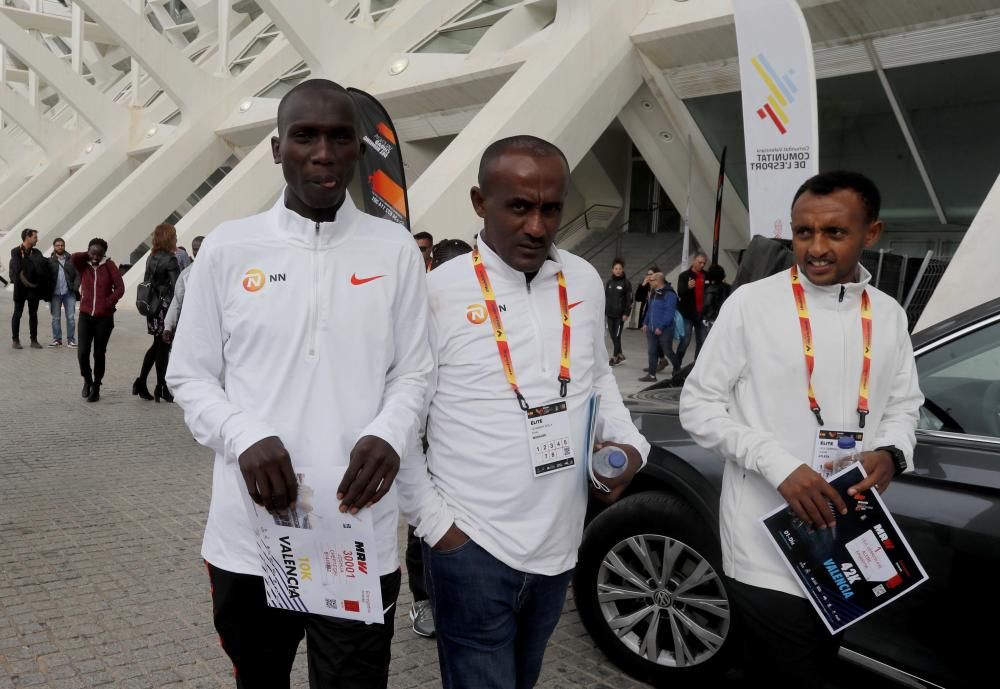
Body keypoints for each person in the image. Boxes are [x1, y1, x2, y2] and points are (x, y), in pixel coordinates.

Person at [166, 78, 431, 689]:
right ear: (276, 147)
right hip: (253, 537)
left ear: (360, 150)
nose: (323, 152)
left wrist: (390, 432)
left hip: (357, 535)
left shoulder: (393, 249)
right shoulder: (230, 249)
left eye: (340, 137)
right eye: (304, 136)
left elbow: (415, 368)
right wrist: (242, 433)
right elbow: (190, 373)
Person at [399, 135, 649, 689]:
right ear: (478, 201)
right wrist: (438, 529)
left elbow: (598, 378)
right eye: (519, 206)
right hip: (472, 547)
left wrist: (631, 443)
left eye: (551, 208)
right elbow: (402, 423)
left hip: (560, 546)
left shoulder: (582, 280)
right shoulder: (436, 293)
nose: (537, 226)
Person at [679, 171, 923, 688]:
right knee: (796, 673)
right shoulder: (751, 305)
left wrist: (892, 453)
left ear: (870, 233)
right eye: (803, 232)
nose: (814, 248)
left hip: (847, 535)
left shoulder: (889, 315)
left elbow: (904, 405)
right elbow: (698, 406)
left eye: (834, 233)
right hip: (765, 540)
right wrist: (778, 464)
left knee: (811, 661)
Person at [406, 236, 473, 640]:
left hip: (466, 441)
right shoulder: (423, 305)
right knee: (424, 522)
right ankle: (423, 598)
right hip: (427, 436)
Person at [70, 238, 125, 402]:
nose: (95, 257)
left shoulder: (109, 266)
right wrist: (88, 253)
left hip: (104, 318)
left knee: (99, 354)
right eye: (93, 253)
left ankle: (97, 385)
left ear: (103, 254)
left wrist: (108, 302)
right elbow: (73, 258)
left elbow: (120, 287)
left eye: (99, 254)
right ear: (88, 251)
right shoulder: (83, 264)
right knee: (82, 352)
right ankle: (87, 380)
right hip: (86, 316)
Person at [133, 224, 180, 403]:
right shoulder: (171, 260)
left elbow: (148, 280)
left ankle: (142, 382)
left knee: (157, 346)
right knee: (163, 348)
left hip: (152, 308)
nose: (176, 239)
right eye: (174, 236)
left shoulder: (150, 257)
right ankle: (161, 387)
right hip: (165, 309)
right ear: (169, 238)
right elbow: (177, 287)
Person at [637, 272, 680, 383]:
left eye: (651, 280)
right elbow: (650, 310)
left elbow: (669, 313)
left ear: (658, 281)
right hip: (651, 329)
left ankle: (678, 370)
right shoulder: (654, 293)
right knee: (652, 352)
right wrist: (645, 323)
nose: (649, 282)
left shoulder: (669, 294)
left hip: (664, 330)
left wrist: (661, 327)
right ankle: (651, 375)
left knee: (668, 351)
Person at [162, 235, 204, 346]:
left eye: (200, 248)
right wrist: (168, 326)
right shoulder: (186, 274)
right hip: (189, 325)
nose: (197, 252)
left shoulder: (219, 272)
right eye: (195, 249)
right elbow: (177, 299)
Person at [9, 228, 44, 349]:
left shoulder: (37, 252)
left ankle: (34, 340)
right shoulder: (15, 251)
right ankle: (15, 340)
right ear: (27, 237)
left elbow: (41, 268)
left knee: (33, 314)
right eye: (35, 237)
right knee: (17, 314)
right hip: (21, 288)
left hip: (34, 289)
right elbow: (18, 269)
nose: (37, 239)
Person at [48, 237, 80, 348]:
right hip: (55, 294)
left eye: (62, 245)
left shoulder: (71, 260)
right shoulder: (50, 261)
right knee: (55, 318)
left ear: (64, 246)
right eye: (57, 245)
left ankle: (71, 340)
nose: (60, 247)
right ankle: (57, 339)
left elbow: (77, 275)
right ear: (54, 247)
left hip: (69, 293)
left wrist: (75, 287)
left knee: (70, 318)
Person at [676, 252, 708, 363]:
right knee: (685, 341)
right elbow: (680, 293)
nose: (702, 265)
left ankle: (696, 367)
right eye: (700, 262)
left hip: (702, 315)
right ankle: (677, 364)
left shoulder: (706, 275)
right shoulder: (684, 276)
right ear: (694, 261)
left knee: (702, 342)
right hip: (688, 314)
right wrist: (687, 287)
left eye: (704, 263)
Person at [604, 258, 632, 366]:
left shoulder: (626, 283)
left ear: (623, 270)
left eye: (620, 268)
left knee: (616, 335)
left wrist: (626, 313)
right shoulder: (609, 282)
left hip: (620, 316)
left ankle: (615, 357)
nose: (618, 270)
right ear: (612, 270)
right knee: (613, 336)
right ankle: (620, 354)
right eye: (616, 268)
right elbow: (606, 297)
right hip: (610, 314)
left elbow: (630, 300)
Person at [701, 263, 731, 333]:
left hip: (713, 319)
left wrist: (704, 315)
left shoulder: (711, 289)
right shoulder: (729, 287)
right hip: (727, 317)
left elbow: (707, 304)